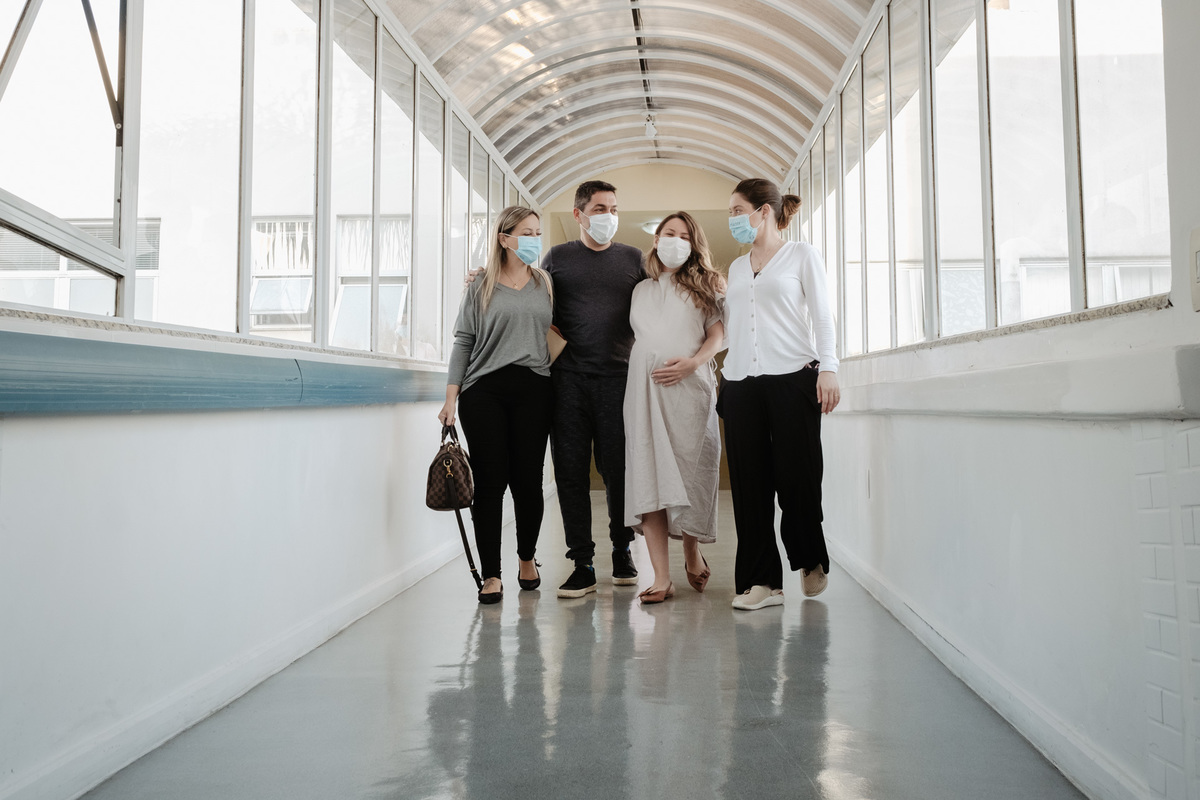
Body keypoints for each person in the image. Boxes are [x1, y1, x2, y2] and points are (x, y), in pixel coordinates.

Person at [720, 178, 841, 611]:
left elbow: (823, 314)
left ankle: (810, 559)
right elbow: (731, 328)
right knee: (749, 486)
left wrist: (828, 368)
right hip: (740, 384)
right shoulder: (736, 268)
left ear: (764, 211)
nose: (732, 218)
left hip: (794, 377)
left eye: (738, 210)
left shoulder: (801, 255)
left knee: (799, 477)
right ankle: (761, 583)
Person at [440, 206, 555, 604]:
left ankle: (527, 558)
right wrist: (450, 398)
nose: (535, 240)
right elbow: (463, 343)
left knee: (528, 481)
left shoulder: (545, 283)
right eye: (527, 232)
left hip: (535, 389)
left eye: (538, 232)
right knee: (490, 483)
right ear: (505, 239)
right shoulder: (480, 286)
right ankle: (492, 574)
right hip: (483, 391)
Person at [544, 180, 646, 598]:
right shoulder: (557, 258)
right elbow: (528, 295)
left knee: (618, 472)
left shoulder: (633, 258)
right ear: (579, 215)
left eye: (614, 208)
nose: (609, 215)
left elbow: (668, 290)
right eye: (600, 208)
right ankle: (582, 562)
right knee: (570, 473)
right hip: (567, 382)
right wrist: (483, 277)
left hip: (619, 381)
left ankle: (622, 550)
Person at [623, 212, 726, 604]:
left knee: (691, 471)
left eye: (685, 236)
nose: (676, 241)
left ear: (694, 243)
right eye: (669, 233)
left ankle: (691, 549)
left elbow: (718, 334)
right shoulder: (641, 290)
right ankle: (662, 578)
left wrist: (692, 363)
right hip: (644, 391)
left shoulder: (709, 284)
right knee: (649, 472)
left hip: (690, 388)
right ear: (656, 239)